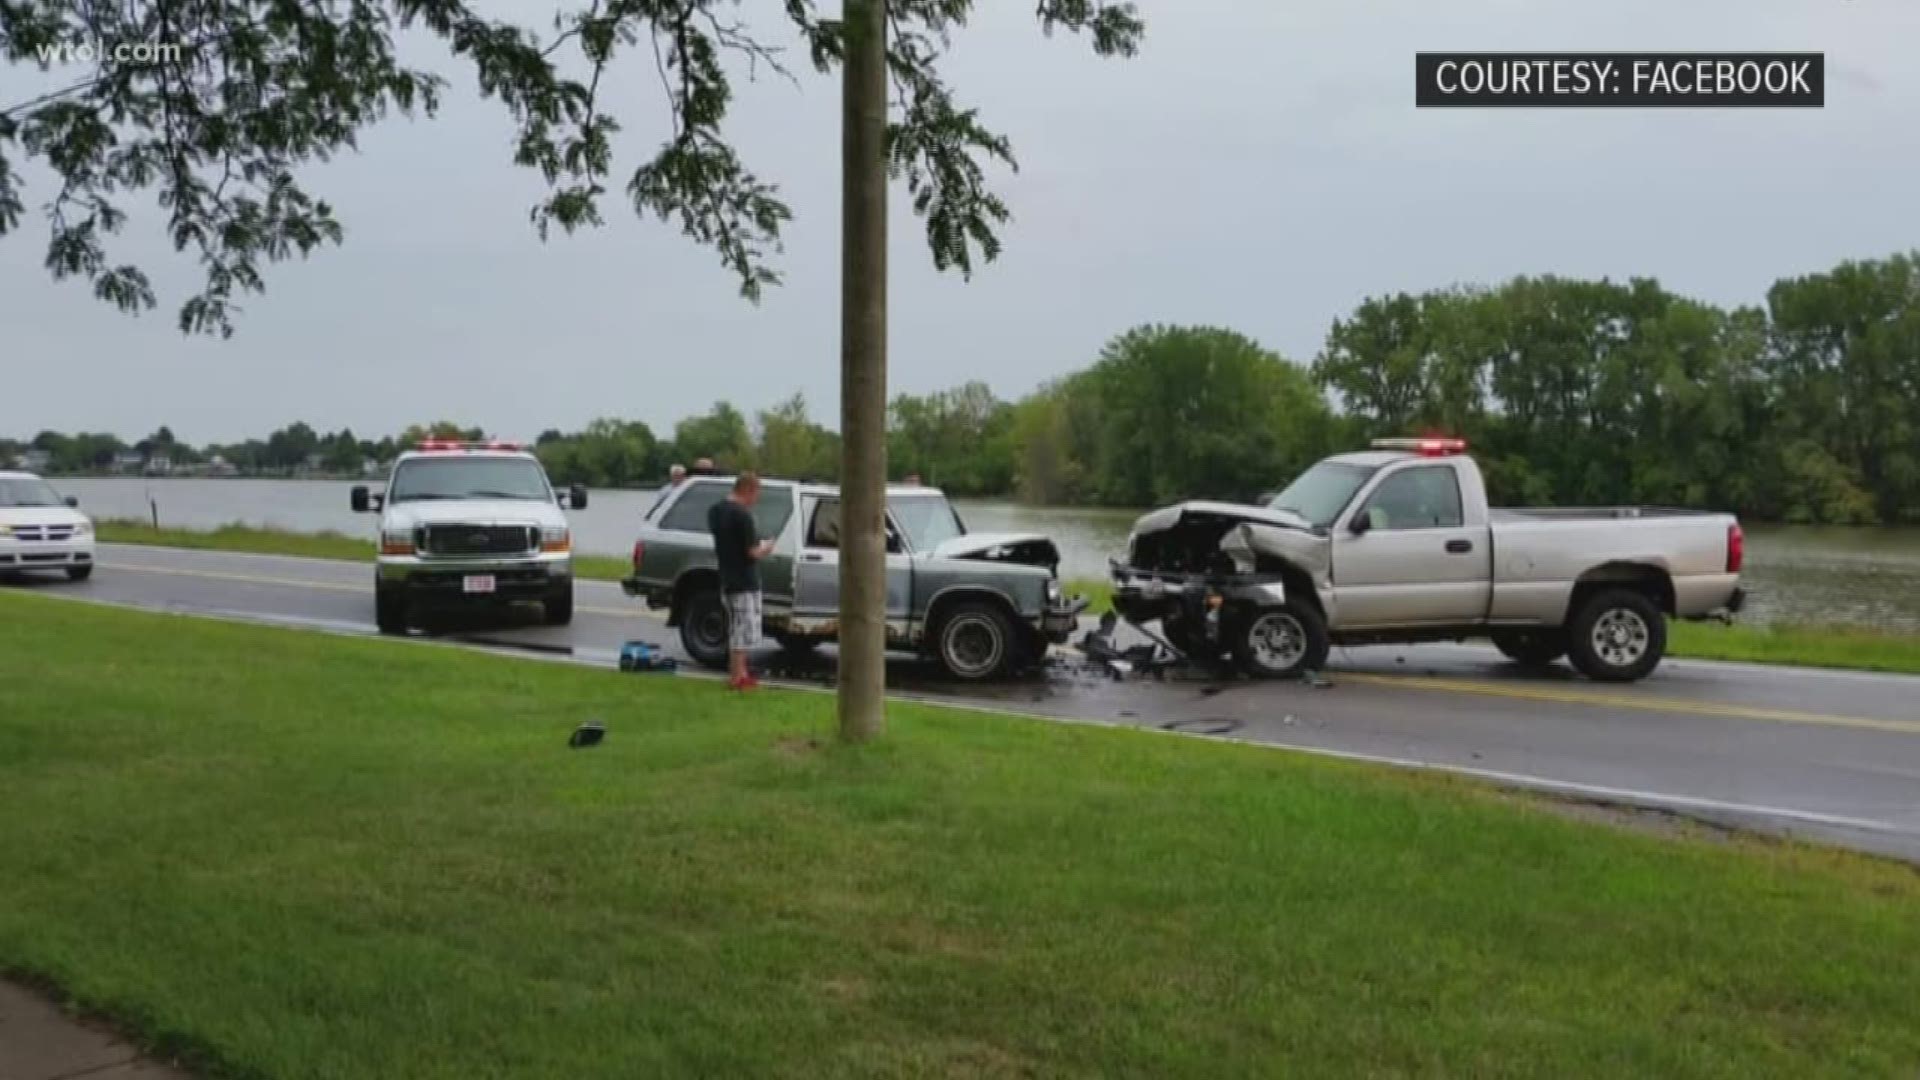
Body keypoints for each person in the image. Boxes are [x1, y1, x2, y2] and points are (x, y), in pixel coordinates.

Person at [708, 471, 774, 690]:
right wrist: (767, 547)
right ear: (748, 490)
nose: (756, 500)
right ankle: (737, 677)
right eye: (756, 494)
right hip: (744, 579)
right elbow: (752, 552)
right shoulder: (743, 516)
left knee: (737, 625)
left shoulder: (716, 511)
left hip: (726, 576)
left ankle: (742, 672)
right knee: (742, 628)